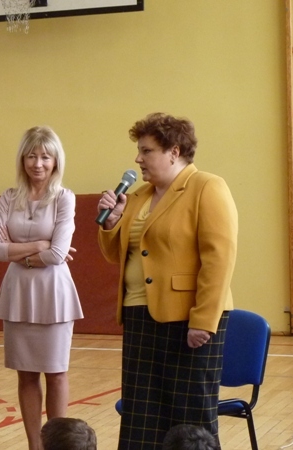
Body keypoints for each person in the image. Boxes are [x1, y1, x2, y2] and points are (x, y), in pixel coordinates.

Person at [97, 112, 238, 448]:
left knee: (190, 416)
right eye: (139, 151)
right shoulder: (138, 197)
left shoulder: (206, 187)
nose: (138, 159)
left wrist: (203, 320)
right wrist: (111, 223)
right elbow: (117, 255)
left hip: (188, 319)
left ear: (174, 152)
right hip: (139, 316)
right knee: (141, 417)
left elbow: (219, 259)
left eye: (146, 151)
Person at [0, 126, 83, 450]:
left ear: (56, 160)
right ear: (22, 159)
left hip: (53, 294)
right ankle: (35, 445)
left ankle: (57, 445)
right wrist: (40, 245)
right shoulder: (8, 197)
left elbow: (58, 254)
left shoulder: (64, 198)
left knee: (56, 373)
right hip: (17, 293)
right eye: (32, 156)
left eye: (45, 156)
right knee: (26, 375)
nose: (38, 163)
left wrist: (20, 252)